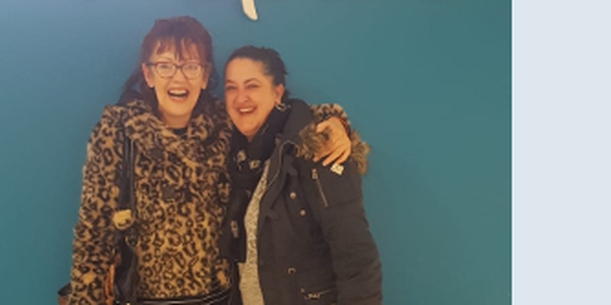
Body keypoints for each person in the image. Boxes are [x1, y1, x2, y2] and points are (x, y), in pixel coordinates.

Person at [67, 16, 355, 305]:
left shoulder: (224, 123)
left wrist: (333, 123)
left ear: (205, 76)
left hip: (221, 299)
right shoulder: (118, 131)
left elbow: (282, 119)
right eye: (165, 65)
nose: (178, 78)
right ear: (148, 74)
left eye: (190, 66)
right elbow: (93, 239)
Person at [221, 46, 382, 305]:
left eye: (251, 86)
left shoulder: (318, 152)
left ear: (277, 93)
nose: (241, 98)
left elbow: (358, 261)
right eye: (231, 87)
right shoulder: (235, 160)